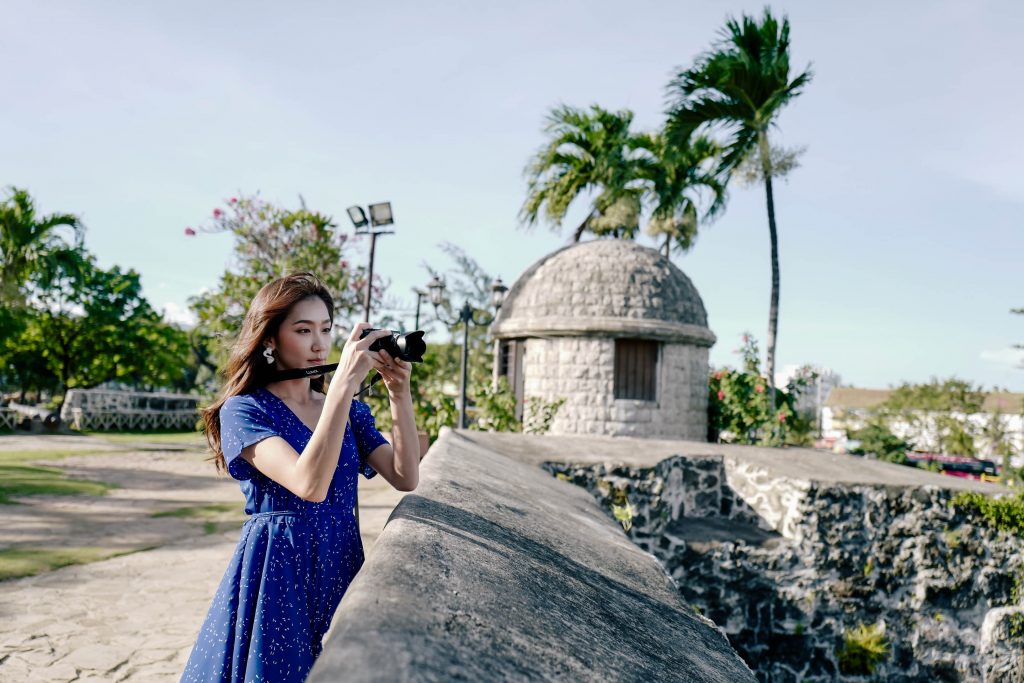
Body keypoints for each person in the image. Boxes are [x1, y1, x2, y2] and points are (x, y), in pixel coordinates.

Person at [181, 272, 420, 683]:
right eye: (303, 329)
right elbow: (308, 484)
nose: (319, 344)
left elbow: (405, 476)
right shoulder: (244, 411)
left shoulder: (348, 412)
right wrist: (343, 387)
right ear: (270, 339)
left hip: (339, 559)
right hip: (278, 568)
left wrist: (399, 393)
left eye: (326, 330)